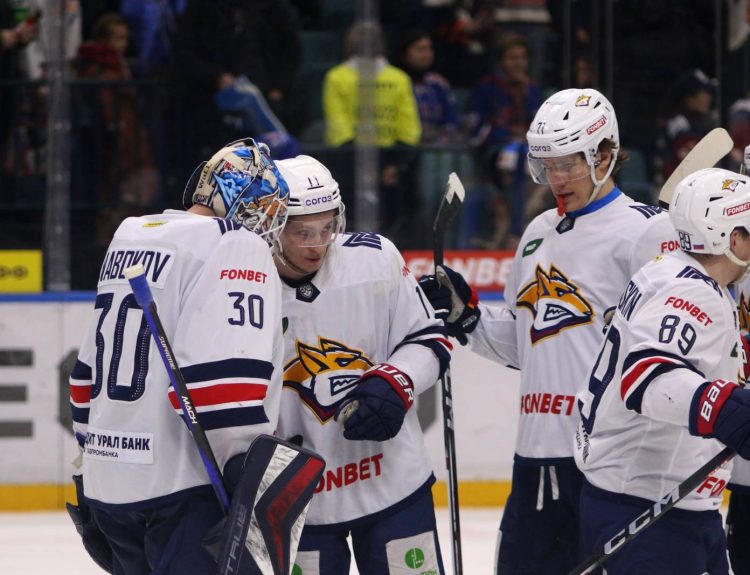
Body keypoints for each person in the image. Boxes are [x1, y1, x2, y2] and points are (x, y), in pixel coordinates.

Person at [418, 87, 677, 574]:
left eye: (567, 165)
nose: (555, 179)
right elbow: (527, 343)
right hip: (534, 456)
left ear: (604, 155)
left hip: (608, 463)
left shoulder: (644, 233)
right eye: (546, 166)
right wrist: (466, 318)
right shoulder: (537, 232)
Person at [66, 139, 290, 573]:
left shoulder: (130, 234)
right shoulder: (235, 243)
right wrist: (247, 480)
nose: (268, 221)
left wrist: (88, 459)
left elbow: (83, 377)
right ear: (239, 197)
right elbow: (218, 393)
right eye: (265, 206)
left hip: (107, 481)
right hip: (184, 488)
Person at [272, 154, 452, 575]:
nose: (318, 244)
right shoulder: (246, 284)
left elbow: (430, 339)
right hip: (296, 498)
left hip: (392, 481)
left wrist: (396, 380)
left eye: (327, 227)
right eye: (302, 233)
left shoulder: (374, 259)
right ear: (273, 227)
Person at [574, 166, 750, 574]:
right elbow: (648, 375)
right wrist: (726, 410)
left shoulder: (666, 268)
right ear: (731, 238)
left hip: (653, 498)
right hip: (650, 509)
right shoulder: (693, 291)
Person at [398, 28, 461, 145]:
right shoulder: (395, 82)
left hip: (436, 146)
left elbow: (451, 122)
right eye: (420, 49)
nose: (427, 54)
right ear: (405, 53)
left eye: (429, 49)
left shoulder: (438, 84)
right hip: (403, 146)